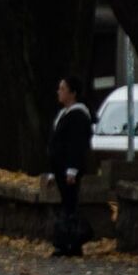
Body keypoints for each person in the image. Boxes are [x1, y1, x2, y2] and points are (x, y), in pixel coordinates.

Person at [46, 76, 94, 257]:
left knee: (71, 205)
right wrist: (52, 171)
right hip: (60, 168)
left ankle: (72, 242)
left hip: (69, 169)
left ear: (72, 93)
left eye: (63, 89)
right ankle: (66, 241)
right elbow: (55, 143)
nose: (59, 92)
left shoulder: (78, 115)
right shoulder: (63, 114)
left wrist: (72, 168)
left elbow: (76, 145)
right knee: (66, 204)